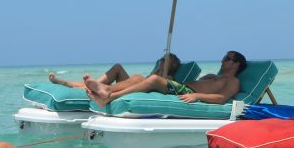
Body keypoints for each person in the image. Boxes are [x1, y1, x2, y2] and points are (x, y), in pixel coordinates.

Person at [85, 50, 246, 107]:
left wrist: (196, 96)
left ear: (236, 64)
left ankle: (109, 96)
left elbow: (221, 98)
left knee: (154, 79)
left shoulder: (233, 81)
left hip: (188, 92)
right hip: (181, 87)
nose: (222, 59)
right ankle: (106, 90)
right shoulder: (214, 76)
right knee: (138, 78)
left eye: (227, 58)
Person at [48, 53, 181, 90]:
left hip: (138, 86)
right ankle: (90, 84)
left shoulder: (169, 78)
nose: (161, 60)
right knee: (118, 67)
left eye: (164, 60)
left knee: (137, 77)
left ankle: (90, 86)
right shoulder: (157, 71)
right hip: (134, 85)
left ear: (170, 64)